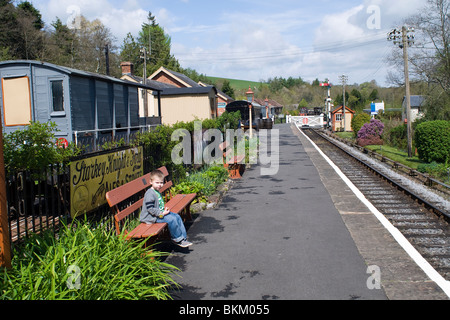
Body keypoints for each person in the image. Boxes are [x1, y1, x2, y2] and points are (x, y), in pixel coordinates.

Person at [140, 170, 193, 248]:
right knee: (171, 219)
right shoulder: (150, 193)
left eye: (161, 183)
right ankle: (177, 239)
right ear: (150, 182)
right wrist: (161, 213)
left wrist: (163, 210)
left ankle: (183, 238)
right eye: (157, 183)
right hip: (151, 217)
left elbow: (157, 205)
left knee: (176, 216)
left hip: (158, 214)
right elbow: (150, 209)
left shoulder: (156, 191)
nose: (159, 185)